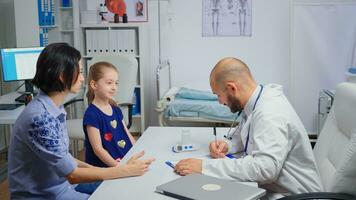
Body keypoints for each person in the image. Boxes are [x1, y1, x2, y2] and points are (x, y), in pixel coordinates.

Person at [8, 43, 154, 200]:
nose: (83, 78)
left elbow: (65, 159)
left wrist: (118, 169)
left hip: (62, 187)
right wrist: (124, 170)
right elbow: (73, 175)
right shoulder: (41, 118)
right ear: (63, 76)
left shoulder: (53, 108)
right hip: (46, 196)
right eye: (80, 72)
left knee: (127, 185)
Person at [175, 57, 322, 198]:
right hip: (273, 189)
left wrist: (205, 167)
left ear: (231, 88)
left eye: (218, 95)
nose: (220, 101)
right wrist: (227, 145)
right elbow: (247, 136)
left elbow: (265, 169)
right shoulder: (257, 101)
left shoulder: (270, 114)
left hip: (293, 196)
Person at [83, 61, 135, 167]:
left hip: (124, 161)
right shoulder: (91, 115)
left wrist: (136, 151)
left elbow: (127, 133)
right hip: (106, 168)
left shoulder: (116, 109)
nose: (114, 87)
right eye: (109, 83)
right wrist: (118, 168)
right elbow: (98, 150)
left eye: (116, 83)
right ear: (94, 84)